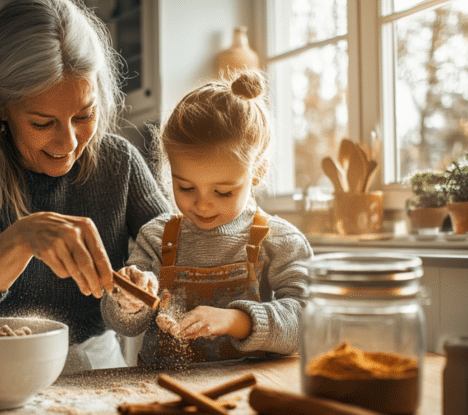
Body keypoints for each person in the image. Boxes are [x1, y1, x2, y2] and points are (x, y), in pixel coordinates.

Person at [0, 0, 170, 371]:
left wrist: (145, 283)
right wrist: (21, 239)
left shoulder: (119, 161)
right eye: (42, 123)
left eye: (84, 115)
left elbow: (181, 263)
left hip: (96, 368)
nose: (68, 143)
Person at [101, 70, 312, 366]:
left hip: (245, 393)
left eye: (223, 192)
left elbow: (307, 321)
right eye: (185, 187)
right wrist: (129, 300)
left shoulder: (280, 240)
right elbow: (123, 325)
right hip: (161, 389)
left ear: (258, 172)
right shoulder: (156, 237)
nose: (202, 204)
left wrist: (235, 321)